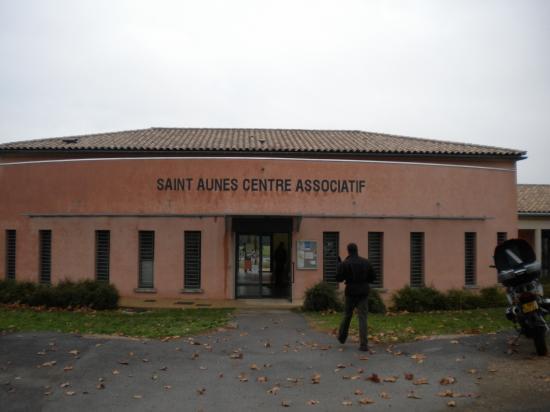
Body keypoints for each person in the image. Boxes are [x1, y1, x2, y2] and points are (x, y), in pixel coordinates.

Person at [336, 242, 376, 351]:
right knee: (363, 318)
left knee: (347, 315)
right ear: (357, 250)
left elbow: (339, 278)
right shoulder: (366, 262)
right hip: (363, 292)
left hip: (351, 292)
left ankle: (342, 337)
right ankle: (364, 345)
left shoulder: (345, 263)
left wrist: (339, 266)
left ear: (348, 251)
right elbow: (373, 277)